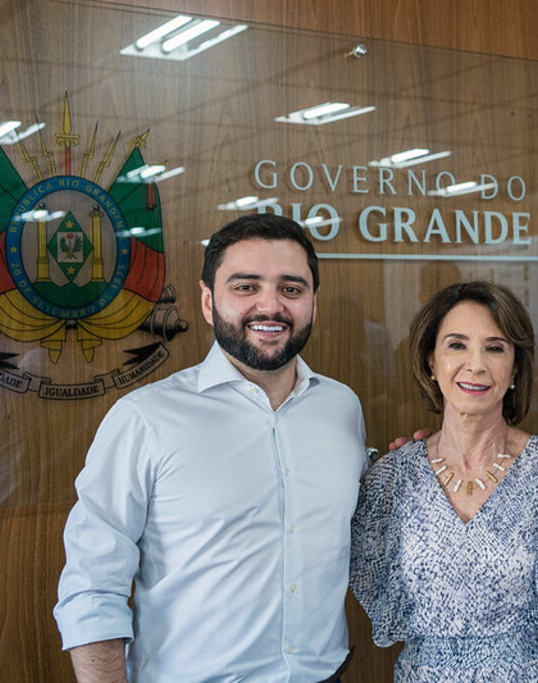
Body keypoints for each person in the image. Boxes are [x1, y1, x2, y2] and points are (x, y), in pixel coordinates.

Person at [53, 214, 367, 682]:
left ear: (312, 304)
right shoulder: (145, 419)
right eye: (246, 287)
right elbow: (92, 587)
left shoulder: (342, 408)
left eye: (291, 289)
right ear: (207, 301)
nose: (270, 306)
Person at [350, 281, 538, 682]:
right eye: (456, 345)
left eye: (495, 348)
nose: (475, 364)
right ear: (430, 361)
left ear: (514, 368)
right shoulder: (390, 480)